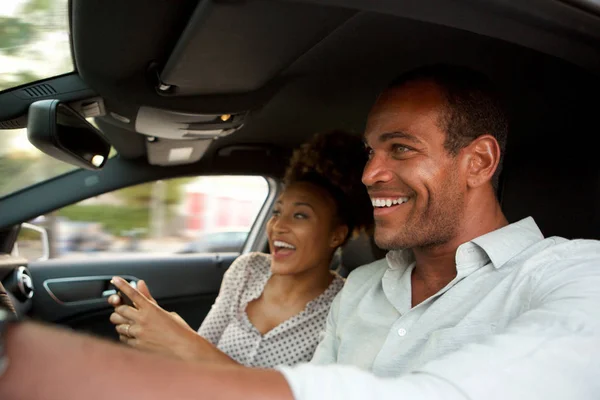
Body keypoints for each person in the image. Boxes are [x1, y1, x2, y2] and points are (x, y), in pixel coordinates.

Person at [2, 64, 600, 400]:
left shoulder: (574, 273)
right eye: (370, 152)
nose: (370, 173)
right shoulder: (364, 288)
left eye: (400, 149)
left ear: (479, 161)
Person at [107, 130, 373, 367]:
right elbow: (200, 358)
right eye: (277, 211)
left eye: (300, 215)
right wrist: (158, 337)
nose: (278, 225)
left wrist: (180, 340)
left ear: (336, 235)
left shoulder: (345, 307)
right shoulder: (247, 270)